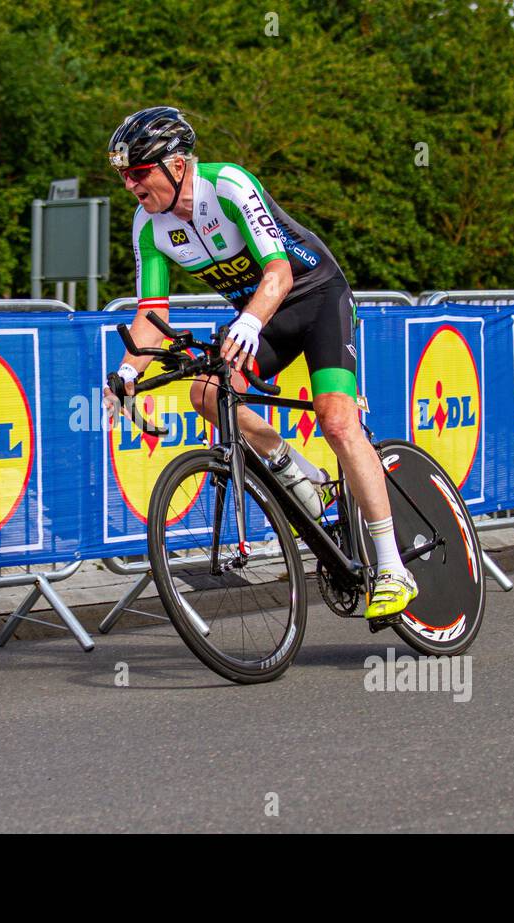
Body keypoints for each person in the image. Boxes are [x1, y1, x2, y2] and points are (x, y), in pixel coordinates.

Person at [104, 106, 417, 621]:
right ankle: (290, 468)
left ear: (176, 166)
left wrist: (248, 323)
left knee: (336, 420)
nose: (131, 186)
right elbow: (149, 313)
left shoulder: (227, 185)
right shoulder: (148, 226)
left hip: (315, 297)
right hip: (262, 313)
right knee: (206, 391)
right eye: (125, 177)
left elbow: (278, 271)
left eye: (139, 173)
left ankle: (391, 567)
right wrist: (127, 374)